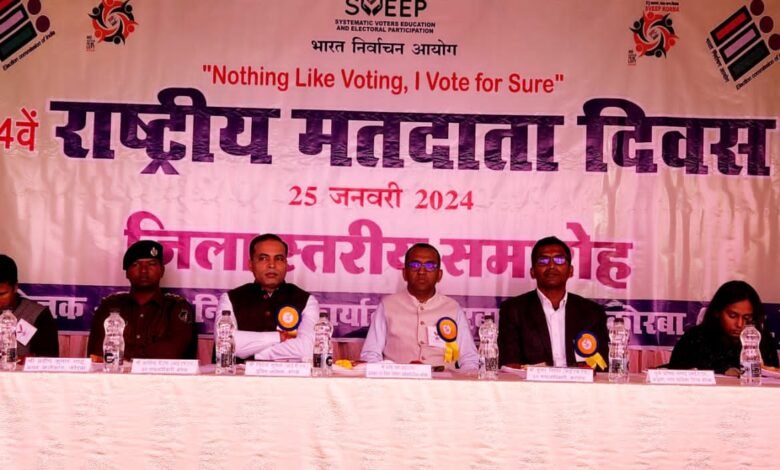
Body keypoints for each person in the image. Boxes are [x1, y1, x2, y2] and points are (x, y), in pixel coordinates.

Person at [360, 243, 479, 371]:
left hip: (443, 381)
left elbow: (469, 359)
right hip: (397, 380)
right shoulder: (388, 305)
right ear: (404, 273)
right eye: (414, 265)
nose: (421, 272)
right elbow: (370, 355)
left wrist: (460, 381)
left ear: (439, 275)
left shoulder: (452, 308)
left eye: (430, 266)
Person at [498, 236, 609, 369]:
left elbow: (602, 365)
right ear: (532, 272)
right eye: (543, 260)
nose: (551, 266)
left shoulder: (592, 312)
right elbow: (509, 364)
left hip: (580, 382)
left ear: (571, 271)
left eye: (559, 260)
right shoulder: (513, 310)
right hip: (531, 382)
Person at [87, 240, 197, 361]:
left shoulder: (177, 308)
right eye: (136, 265)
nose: (144, 270)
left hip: (161, 374)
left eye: (151, 264)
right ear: (127, 273)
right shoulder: (109, 306)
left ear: (162, 271)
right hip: (117, 374)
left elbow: (173, 352)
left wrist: (122, 354)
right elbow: (97, 352)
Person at [216, 233, 318, 361]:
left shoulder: (306, 300)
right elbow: (224, 343)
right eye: (263, 258)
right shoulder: (230, 298)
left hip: (289, 374)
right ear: (251, 264)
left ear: (286, 264)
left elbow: (308, 349)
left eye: (279, 259)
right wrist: (277, 337)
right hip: (240, 374)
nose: (272, 265)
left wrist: (254, 353)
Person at [669, 280, 779, 375]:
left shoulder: (761, 339)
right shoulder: (695, 338)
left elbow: (773, 377)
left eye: (747, 318)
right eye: (732, 316)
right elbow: (676, 373)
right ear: (717, 312)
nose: (740, 324)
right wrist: (722, 371)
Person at [0, 254, 59, 358]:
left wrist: (20, 359)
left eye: (2, 294)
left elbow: (48, 359)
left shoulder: (39, 316)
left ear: (15, 287)